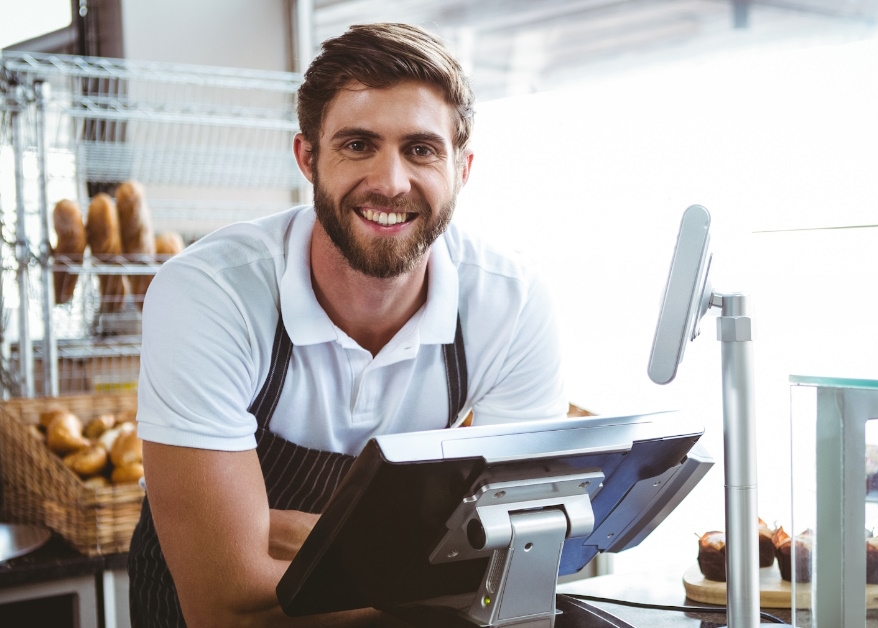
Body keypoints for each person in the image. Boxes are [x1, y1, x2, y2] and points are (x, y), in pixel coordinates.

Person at [127, 23, 568, 627]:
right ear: (308, 157)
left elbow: (519, 561)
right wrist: (425, 575)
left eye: (421, 149)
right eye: (358, 144)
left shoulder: (510, 305)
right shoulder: (210, 293)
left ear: (463, 168)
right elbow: (227, 605)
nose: (390, 182)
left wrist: (276, 536)